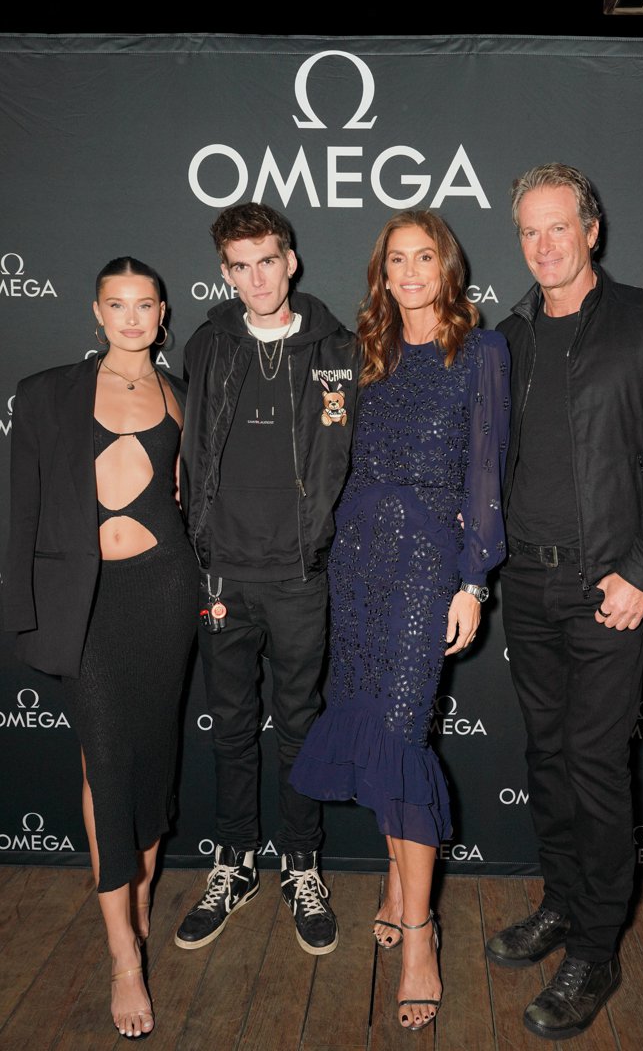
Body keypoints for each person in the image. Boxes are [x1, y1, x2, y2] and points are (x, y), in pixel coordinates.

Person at [485, 163, 643, 1040]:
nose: (544, 246)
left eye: (558, 228)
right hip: (527, 586)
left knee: (595, 766)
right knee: (545, 757)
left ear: (592, 230)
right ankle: (563, 901)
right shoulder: (507, 338)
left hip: (607, 586)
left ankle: (598, 947)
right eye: (529, 233)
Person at [290, 210, 511, 1031]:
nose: (410, 271)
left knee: (405, 728)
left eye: (425, 257)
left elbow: (485, 472)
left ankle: (420, 932)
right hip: (356, 560)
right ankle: (394, 879)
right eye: (396, 259)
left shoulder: (481, 352)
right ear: (380, 272)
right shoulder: (363, 355)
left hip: (427, 567)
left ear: (447, 267)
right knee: (374, 725)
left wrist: (472, 581)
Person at [3, 257, 198, 1039]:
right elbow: (22, 511)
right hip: (84, 604)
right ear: (95, 311)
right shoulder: (46, 392)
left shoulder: (184, 395)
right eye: (116, 304)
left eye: (144, 304)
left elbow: (197, 497)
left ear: (161, 313)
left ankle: (141, 895)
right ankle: (123, 951)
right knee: (106, 757)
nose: (130, 317)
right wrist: (22, 611)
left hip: (166, 592)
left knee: (150, 757)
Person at [176, 202, 358, 956]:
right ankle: (233, 861)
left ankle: (301, 863)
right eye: (240, 266)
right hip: (223, 573)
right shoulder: (209, 344)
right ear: (225, 273)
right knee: (230, 728)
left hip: (298, 576)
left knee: (301, 728)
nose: (257, 278)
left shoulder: (337, 348)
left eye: (268, 260)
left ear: (292, 261)